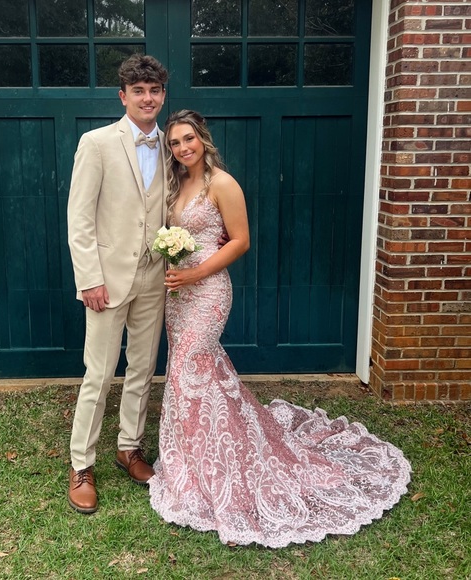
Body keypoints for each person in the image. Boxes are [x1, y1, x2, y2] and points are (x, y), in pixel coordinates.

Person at [148, 110, 412, 548]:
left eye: (188, 138)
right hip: (178, 296)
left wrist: (194, 273)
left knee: (193, 364)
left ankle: (225, 463)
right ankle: (192, 459)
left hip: (208, 291)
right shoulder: (177, 184)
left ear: (202, 138)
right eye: (174, 142)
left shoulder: (222, 183)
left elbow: (240, 240)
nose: (182, 148)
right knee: (188, 373)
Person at [66, 54, 169, 514]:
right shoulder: (97, 143)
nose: (148, 99)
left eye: (155, 91)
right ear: (122, 96)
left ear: (162, 95)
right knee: (100, 374)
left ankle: (130, 447)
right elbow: (80, 218)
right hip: (106, 281)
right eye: (139, 91)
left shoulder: (172, 145)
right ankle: (81, 465)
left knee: (143, 369)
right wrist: (89, 279)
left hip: (154, 277)